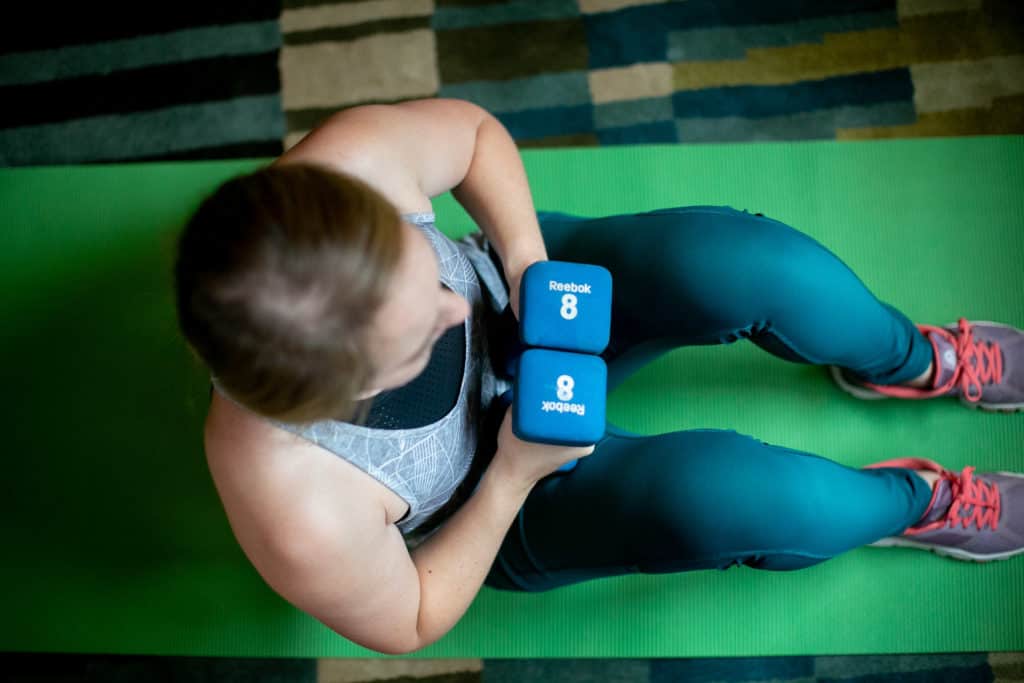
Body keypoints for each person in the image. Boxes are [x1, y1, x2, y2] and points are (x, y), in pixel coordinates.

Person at [173, 98, 1023, 655]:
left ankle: (909, 360)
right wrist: (510, 475)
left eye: (426, 280)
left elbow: (473, 138)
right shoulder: (295, 505)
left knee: (740, 265)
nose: (453, 312)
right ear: (334, 397)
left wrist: (527, 262)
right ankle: (918, 501)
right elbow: (412, 617)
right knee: (734, 500)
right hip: (503, 493)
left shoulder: (342, 170)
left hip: (541, 291)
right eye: (413, 342)